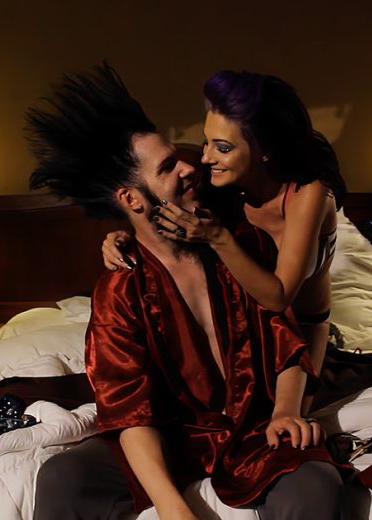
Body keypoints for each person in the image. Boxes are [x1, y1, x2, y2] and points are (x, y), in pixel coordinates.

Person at [27, 63, 343, 520]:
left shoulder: (242, 241)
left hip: (257, 426)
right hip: (176, 435)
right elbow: (130, 412)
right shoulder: (121, 289)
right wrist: (173, 509)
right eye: (169, 166)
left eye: (185, 156)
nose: (195, 165)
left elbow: (286, 332)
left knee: (316, 484)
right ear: (131, 200)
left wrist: (286, 412)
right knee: (63, 476)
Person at [103, 70, 346, 411]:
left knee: (285, 426)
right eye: (207, 142)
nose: (205, 158)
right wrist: (123, 236)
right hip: (249, 335)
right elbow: (162, 210)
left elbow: (278, 298)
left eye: (223, 147)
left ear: (265, 150)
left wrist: (217, 237)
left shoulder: (309, 193)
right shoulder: (224, 186)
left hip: (303, 335)